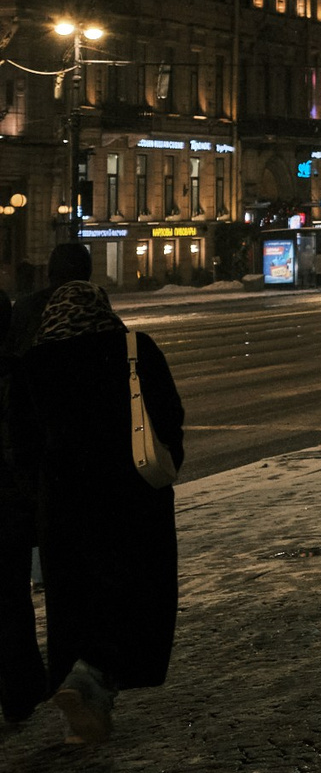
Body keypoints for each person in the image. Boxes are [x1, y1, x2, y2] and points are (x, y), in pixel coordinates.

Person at [4, 277, 185, 745]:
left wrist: (39, 497)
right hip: (131, 497)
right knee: (131, 592)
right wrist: (168, 464)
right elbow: (167, 413)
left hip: (64, 503)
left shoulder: (35, 364)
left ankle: (82, 698)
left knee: (75, 600)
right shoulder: (134, 348)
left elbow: (23, 446)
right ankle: (93, 682)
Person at [0, 243, 86, 728]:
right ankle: (55, 683)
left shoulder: (21, 368)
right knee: (59, 590)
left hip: (19, 502)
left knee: (9, 600)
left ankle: (22, 687)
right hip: (30, 502)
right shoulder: (23, 375)